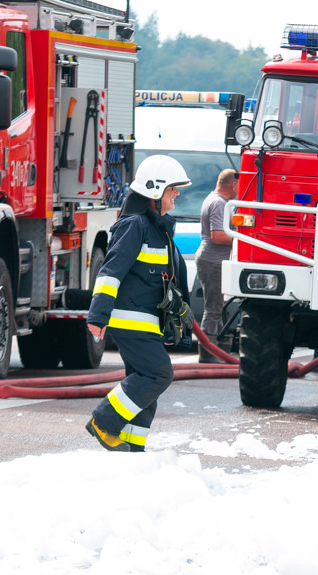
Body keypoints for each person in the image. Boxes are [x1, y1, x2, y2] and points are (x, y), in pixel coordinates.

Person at [85, 155, 194, 452]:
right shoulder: (134, 226)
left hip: (146, 322)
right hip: (129, 321)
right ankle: (103, 421)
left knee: (143, 383)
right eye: (173, 189)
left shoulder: (159, 230)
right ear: (155, 192)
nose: (178, 195)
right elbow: (110, 272)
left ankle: (133, 448)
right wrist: (98, 314)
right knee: (157, 374)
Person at [195, 168, 238, 363]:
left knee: (218, 307)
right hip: (213, 261)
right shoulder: (219, 204)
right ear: (233, 184)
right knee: (213, 308)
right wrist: (242, 241)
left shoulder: (216, 201)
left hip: (212, 261)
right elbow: (218, 235)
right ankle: (208, 354)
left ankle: (215, 352)